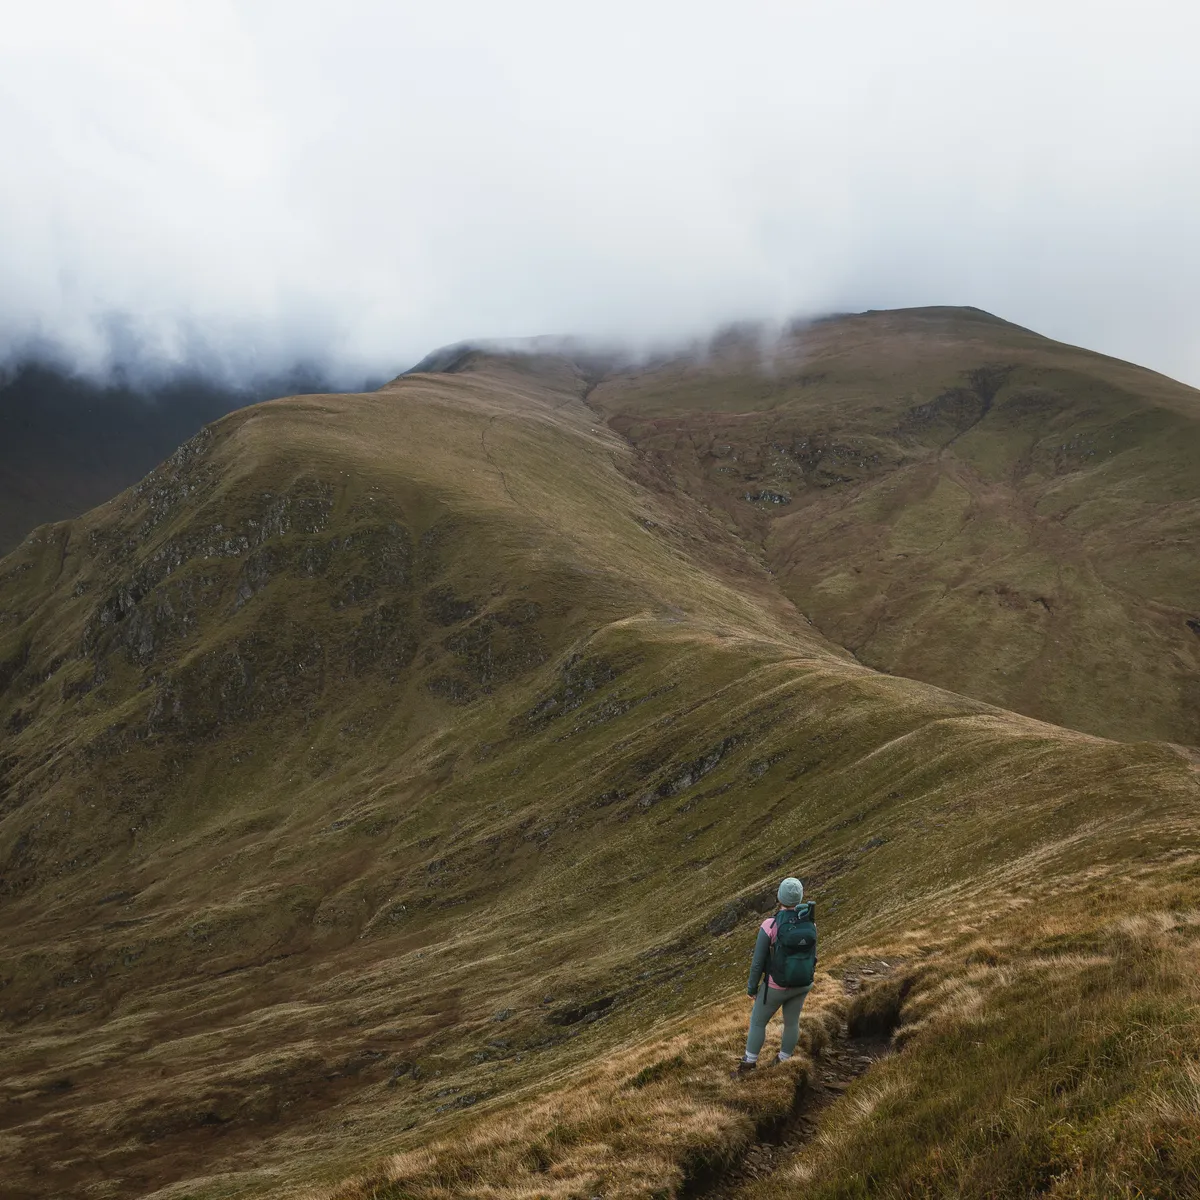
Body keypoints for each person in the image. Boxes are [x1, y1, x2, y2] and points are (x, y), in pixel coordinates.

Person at [733, 876, 817, 1076]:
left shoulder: (770, 925)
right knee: (792, 1022)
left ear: (779, 898)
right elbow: (813, 955)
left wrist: (752, 988)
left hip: (776, 986)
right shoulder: (811, 925)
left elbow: (758, 963)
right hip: (803, 983)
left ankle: (748, 1065)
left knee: (758, 1022)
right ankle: (783, 1060)